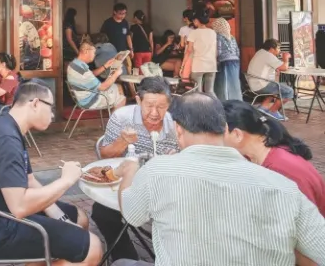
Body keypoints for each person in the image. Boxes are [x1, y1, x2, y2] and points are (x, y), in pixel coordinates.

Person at [115, 92, 325, 266]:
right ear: (225, 129)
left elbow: (132, 215)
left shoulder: (157, 170)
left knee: (120, 263)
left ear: (178, 129)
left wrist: (130, 170)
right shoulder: (283, 186)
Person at [0, 81, 103, 266]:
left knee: (79, 218)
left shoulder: (7, 125)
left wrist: (62, 219)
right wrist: (66, 181)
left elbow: (29, 180)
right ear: (35, 103)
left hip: (0, 212)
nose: (52, 115)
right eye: (51, 107)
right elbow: (20, 206)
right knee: (93, 248)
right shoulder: (6, 139)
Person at [93, 77, 179, 263]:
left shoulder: (175, 124)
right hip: (129, 182)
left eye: (161, 107)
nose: (154, 113)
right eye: (149, 106)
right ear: (139, 100)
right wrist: (122, 142)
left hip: (165, 188)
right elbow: (105, 155)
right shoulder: (122, 118)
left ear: (169, 104)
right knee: (102, 212)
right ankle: (125, 257)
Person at [223, 100, 325, 216]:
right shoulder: (259, 155)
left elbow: (304, 220)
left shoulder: (282, 171)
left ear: (237, 134)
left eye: (219, 134)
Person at [66, 42, 126, 111]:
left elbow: (91, 74)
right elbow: (103, 87)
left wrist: (105, 66)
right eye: (94, 53)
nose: (94, 55)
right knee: (121, 98)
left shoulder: (74, 64)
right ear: (86, 51)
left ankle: (114, 111)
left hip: (83, 97)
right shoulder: (82, 70)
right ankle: (115, 117)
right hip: (91, 101)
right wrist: (116, 73)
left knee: (118, 86)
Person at [247, 39, 293, 121]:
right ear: (272, 49)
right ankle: (273, 111)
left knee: (275, 86)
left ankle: (263, 107)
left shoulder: (260, 52)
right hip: (261, 85)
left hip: (255, 83)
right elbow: (284, 67)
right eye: (278, 48)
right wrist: (286, 58)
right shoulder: (268, 55)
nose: (279, 50)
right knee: (289, 91)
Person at [183, 4, 217, 96]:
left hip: (198, 65)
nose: (193, 22)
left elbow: (189, 51)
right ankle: (216, 104)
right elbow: (215, 50)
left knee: (198, 92)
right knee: (210, 91)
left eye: (194, 20)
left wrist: (183, 65)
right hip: (211, 65)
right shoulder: (213, 32)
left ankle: (200, 106)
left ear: (197, 20)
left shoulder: (194, 33)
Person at [211, 17, 241, 101]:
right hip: (235, 62)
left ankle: (225, 101)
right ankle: (236, 101)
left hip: (224, 62)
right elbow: (237, 51)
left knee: (224, 83)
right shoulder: (232, 37)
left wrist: (216, 61)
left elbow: (218, 51)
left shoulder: (218, 37)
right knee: (234, 82)